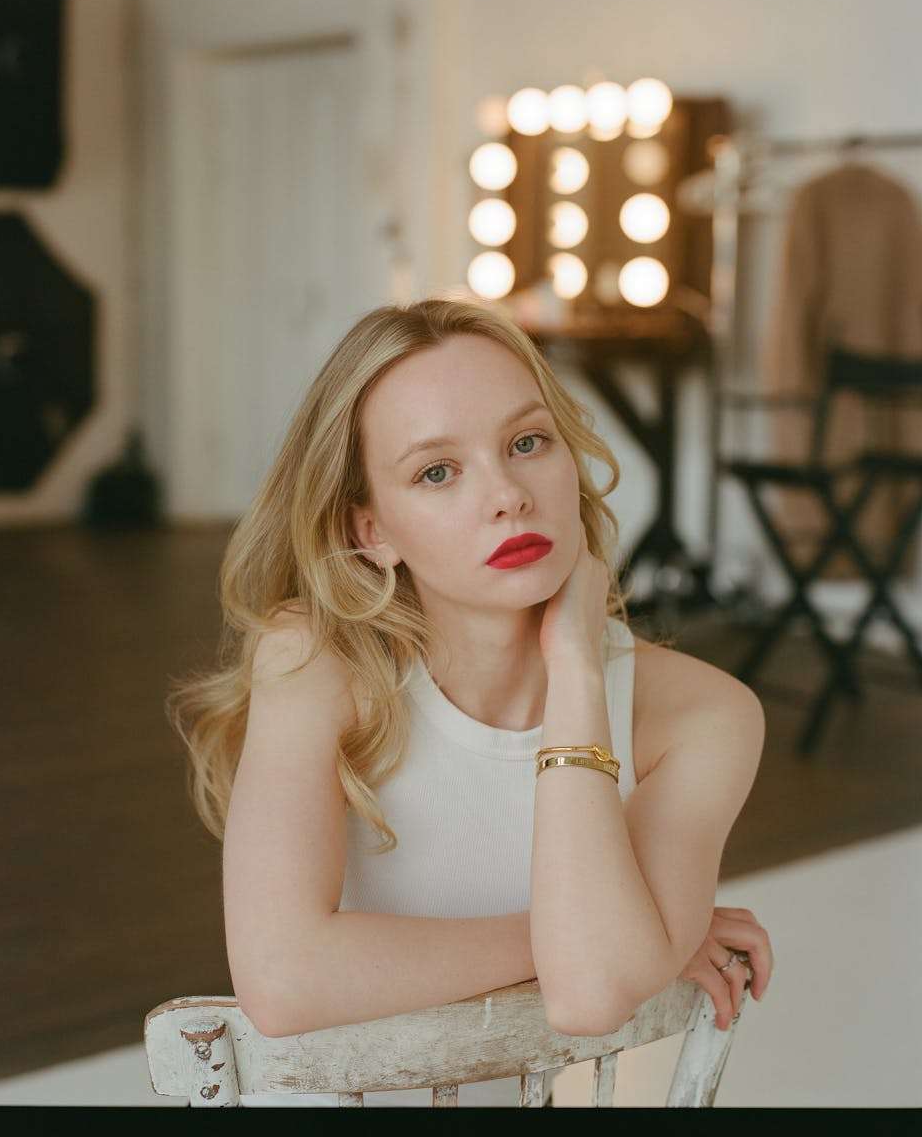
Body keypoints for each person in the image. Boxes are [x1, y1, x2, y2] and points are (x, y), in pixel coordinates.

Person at [166, 297, 774, 1107]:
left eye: (528, 443)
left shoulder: (707, 715)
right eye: (437, 471)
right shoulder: (313, 661)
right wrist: (651, 937)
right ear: (374, 529)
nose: (508, 495)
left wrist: (578, 672)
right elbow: (282, 980)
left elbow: (590, 994)